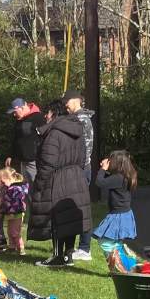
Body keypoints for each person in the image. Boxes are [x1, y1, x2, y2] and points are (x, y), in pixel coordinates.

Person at [28, 99, 93, 269]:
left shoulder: (54, 133)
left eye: (47, 113)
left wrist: (40, 183)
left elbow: (48, 162)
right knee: (69, 218)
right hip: (76, 176)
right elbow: (83, 156)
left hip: (58, 179)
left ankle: (58, 256)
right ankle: (68, 256)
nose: (45, 116)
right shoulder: (78, 130)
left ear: (54, 113)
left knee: (57, 219)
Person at [64, 92, 96, 261]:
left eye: (67, 101)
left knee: (81, 207)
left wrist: (76, 167)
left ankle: (84, 248)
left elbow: (84, 148)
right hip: (80, 168)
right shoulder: (77, 118)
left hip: (81, 168)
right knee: (76, 206)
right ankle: (77, 246)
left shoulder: (81, 120)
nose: (65, 105)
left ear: (76, 101)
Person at [91, 151, 138, 252]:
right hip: (124, 214)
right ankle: (121, 255)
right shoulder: (124, 176)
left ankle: (117, 258)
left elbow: (100, 182)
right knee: (115, 241)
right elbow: (108, 178)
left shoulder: (118, 178)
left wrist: (103, 169)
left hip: (118, 216)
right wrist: (103, 170)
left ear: (117, 163)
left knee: (105, 242)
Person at [5, 98, 42, 187]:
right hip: (22, 161)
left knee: (34, 186)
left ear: (22, 107)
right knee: (25, 186)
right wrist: (11, 155)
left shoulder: (38, 118)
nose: (14, 114)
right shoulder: (19, 120)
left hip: (34, 161)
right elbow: (16, 138)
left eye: (15, 112)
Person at [0, 166, 29, 253]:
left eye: (3, 182)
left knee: (15, 232)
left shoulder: (16, 189)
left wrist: (11, 211)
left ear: (8, 178)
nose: (2, 184)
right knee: (9, 231)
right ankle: (12, 247)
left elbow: (16, 203)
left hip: (16, 213)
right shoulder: (10, 187)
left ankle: (20, 248)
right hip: (10, 213)